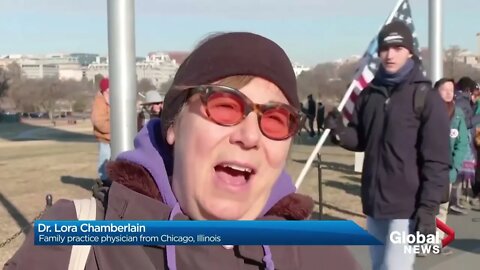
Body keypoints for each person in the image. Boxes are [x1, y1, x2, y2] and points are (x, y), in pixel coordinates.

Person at [5, 32, 359, 270]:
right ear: (173, 125)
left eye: (277, 119)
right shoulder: (75, 241)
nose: (250, 136)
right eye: (224, 106)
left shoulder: (321, 255)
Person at [325, 21, 450, 270]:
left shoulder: (426, 97)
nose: (390, 54)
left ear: (410, 51)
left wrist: (428, 209)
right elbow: (361, 139)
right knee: (379, 266)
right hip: (374, 203)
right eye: (385, 48)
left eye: (398, 47)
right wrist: (339, 131)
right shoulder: (369, 93)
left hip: (408, 208)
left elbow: (437, 161)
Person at [433, 78, 468, 255]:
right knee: (423, 206)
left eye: (451, 89)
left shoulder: (458, 114)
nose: (448, 93)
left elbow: (462, 144)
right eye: (444, 89)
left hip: (446, 170)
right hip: (426, 170)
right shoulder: (426, 111)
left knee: (441, 207)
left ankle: (437, 241)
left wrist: (454, 168)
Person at [91, 78, 111, 182]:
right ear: (105, 90)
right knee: (104, 163)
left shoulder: (111, 100)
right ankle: (104, 183)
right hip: (105, 140)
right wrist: (114, 130)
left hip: (114, 139)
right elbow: (98, 122)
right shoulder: (99, 102)